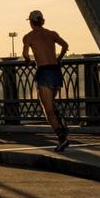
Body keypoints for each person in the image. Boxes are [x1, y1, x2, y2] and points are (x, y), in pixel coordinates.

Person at [21, 10, 71, 151]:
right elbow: (65, 45)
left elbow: (25, 54)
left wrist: (29, 61)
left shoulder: (28, 37)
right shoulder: (51, 34)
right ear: (42, 21)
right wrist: (59, 59)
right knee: (52, 103)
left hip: (43, 72)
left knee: (47, 109)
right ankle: (62, 126)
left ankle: (61, 137)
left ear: (31, 23)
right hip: (55, 70)